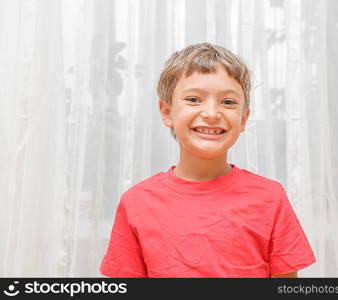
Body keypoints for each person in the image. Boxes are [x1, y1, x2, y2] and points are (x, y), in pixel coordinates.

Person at [100, 43, 316, 278]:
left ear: (243, 119)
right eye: (193, 99)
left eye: (229, 102)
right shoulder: (136, 203)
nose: (212, 113)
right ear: (166, 112)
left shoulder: (271, 197)